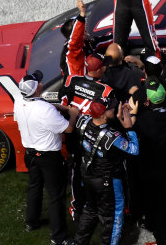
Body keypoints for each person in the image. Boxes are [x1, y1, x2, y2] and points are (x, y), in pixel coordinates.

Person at [127, 32, 166, 245]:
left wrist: (132, 111)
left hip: (149, 168)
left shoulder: (142, 119)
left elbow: (129, 125)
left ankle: (161, 237)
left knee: (156, 204)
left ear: (147, 101)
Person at [14, 70, 79, 245]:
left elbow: (39, 103)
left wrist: (61, 107)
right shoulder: (45, 110)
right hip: (49, 157)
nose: (42, 83)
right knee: (56, 196)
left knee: (34, 187)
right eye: (39, 83)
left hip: (30, 154)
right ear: (36, 89)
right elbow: (68, 129)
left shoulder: (19, 100)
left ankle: (32, 222)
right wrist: (72, 114)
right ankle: (59, 237)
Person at [72, 97, 140, 245]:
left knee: (90, 209)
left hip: (87, 175)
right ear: (103, 115)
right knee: (113, 218)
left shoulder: (83, 121)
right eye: (111, 109)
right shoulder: (111, 137)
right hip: (107, 181)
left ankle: (78, 242)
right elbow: (134, 150)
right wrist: (129, 128)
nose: (114, 109)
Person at [59, 53, 115, 220]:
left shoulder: (71, 80)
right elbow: (109, 117)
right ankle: (95, 205)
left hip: (73, 134)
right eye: (103, 65)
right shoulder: (106, 90)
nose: (105, 67)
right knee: (96, 171)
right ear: (98, 70)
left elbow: (62, 105)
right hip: (93, 136)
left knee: (76, 170)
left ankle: (77, 207)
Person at [60, 0, 88, 78]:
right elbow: (75, 38)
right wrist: (82, 14)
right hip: (79, 87)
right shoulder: (71, 50)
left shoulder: (86, 43)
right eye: (80, 27)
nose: (84, 27)